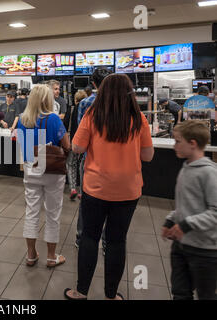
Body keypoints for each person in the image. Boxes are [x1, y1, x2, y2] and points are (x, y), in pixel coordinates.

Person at [64, 73, 154, 300]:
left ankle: (80, 291)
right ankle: (111, 296)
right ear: (130, 92)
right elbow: (148, 155)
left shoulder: (92, 115)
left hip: (96, 188)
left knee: (89, 238)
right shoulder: (138, 118)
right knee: (116, 241)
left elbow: (76, 147)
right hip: (128, 190)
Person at [16, 84, 70, 268]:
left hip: (31, 168)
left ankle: (31, 255)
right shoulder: (54, 119)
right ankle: (51, 256)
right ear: (48, 100)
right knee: (53, 214)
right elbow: (66, 144)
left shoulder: (23, 119)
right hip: (52, 171)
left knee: (31, 212)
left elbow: (21, 144)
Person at [162, 120, 217, 300]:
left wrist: (187, 224)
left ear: (192, 143)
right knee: (180, 292)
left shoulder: (209, 173)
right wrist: (171, 220)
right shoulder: (186, 168)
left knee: (205, 295)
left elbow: (215, 212)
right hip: (181, 245)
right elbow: (185, 205)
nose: (174, 146)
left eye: (178, 141)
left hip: (204, 250)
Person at [75, 67, 113, 249]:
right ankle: (107, 242)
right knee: (112, 204)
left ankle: (81, 238)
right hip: (114, 160)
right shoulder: (120, 102)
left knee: (87, 201)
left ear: (93, 83)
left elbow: (80, 137)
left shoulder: (86, 102)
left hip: (90, 158)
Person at [67, 90, 87, 200]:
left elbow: (66, 125)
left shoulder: (72, 109)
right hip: (86, 143)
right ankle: (82, 191)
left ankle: (73, 188)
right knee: (83, 165)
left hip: (74, 142)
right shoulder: (89, 110)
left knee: (71, 164)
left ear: (75, 100)